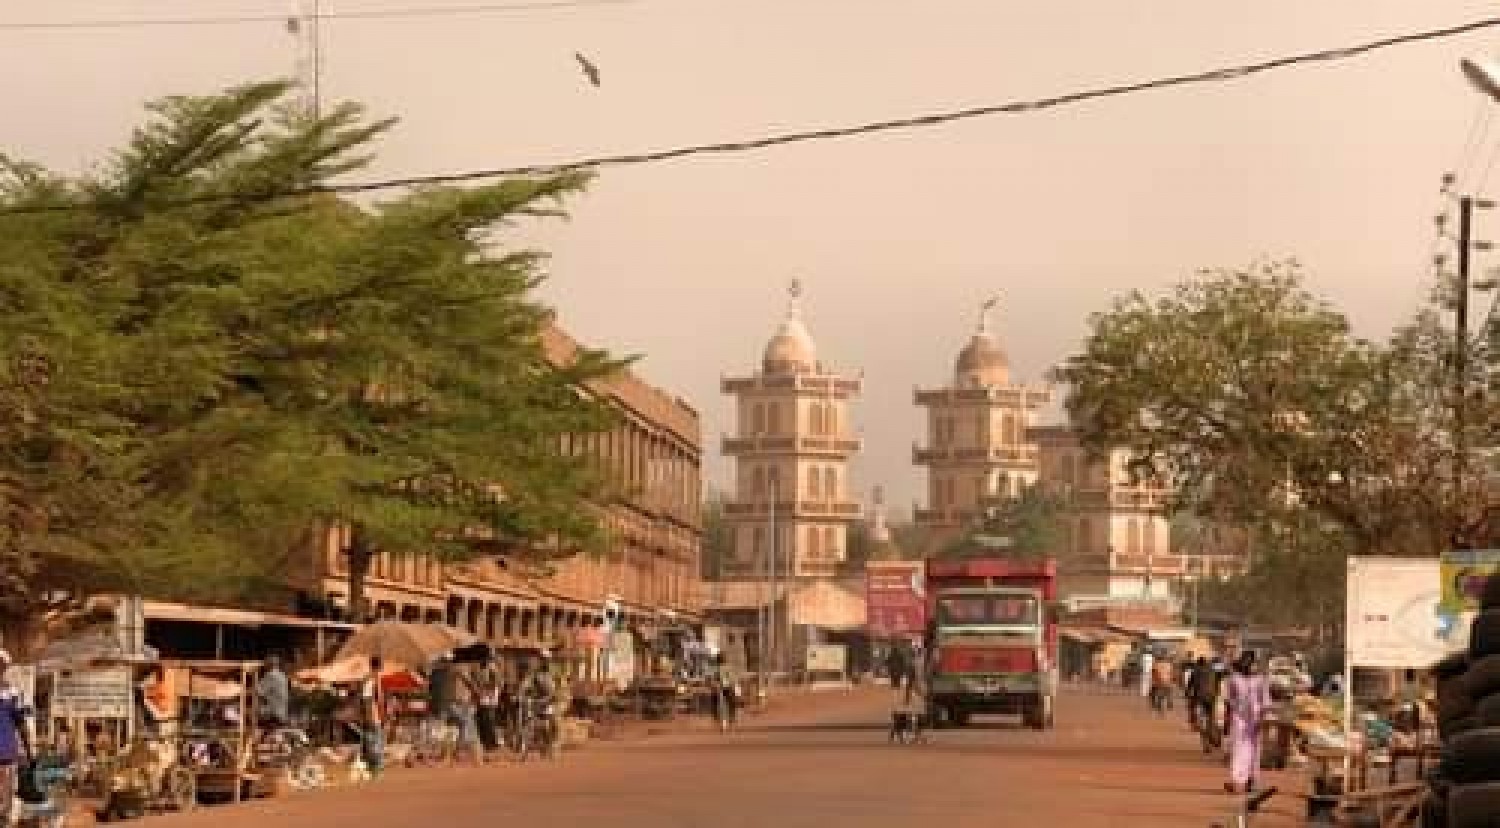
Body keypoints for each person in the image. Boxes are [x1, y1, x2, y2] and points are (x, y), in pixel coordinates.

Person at [1224, 650, 1272, 794]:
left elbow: (1265, 699)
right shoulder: (1234, 678)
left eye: (1252, 662)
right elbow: (1229, 698)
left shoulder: (1261, 680)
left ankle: (1252, 779)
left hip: (1256, 718)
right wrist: (1228, 716)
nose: (1250, 665)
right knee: (1238, 749)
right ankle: (1237, 780)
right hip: (1239, 718)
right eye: (1246, 662)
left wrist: (1264, 717)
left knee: (1254, 750)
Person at [0, 650, 32, 826]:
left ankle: (4, 820)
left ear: (5, 667)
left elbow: (22, 723)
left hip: (6, 752)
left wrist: (28, 751)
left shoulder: (13, 692)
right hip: (7, 752)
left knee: (6, 795)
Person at [471, 653, 504, 753]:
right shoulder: (480, 668)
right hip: (483, 695)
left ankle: (492, 743)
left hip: (490, 696)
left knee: (488, 718)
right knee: (482, 717)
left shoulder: (492, 667)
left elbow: (497, 682)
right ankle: (486, 742)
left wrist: (490, 692)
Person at [359, 656, 385, 775]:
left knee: (369, 735)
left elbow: (362, 696)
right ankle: (376, 765)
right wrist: (382, 709)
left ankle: (368, 763)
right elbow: (379, 696)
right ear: (378, 667)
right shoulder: (376, 677)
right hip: (372, 707)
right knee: (377, 735)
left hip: (366, 707)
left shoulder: (365, 678)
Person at [707, 652, 739, 731]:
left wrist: (714, 685)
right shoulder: (727, 668)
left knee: (722, 705)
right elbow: (733, 679)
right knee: (729, 704)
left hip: (722, 688)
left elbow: (711, 679)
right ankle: (729, 721)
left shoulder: (715, 668)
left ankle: (725, 722)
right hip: (725, 688)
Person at [257, 655, 291, 729]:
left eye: (265, 663)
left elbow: (258, 691)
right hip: (282, 711)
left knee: (252, 720)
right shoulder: (283, 676)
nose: (264, 666)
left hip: (272, 712)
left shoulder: (270, 675)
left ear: (269, 664)